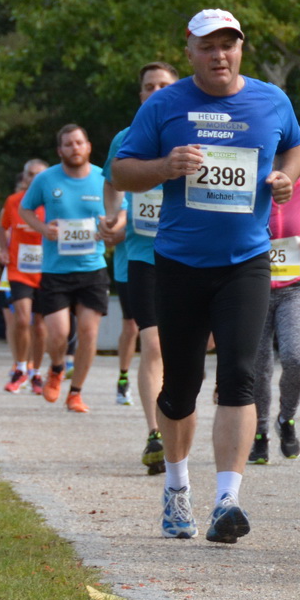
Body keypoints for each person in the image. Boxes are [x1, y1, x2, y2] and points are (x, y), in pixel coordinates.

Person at [114, 9, 300, 543]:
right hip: (179, 264)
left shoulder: (271, 100)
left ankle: (227, 500)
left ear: (241, 49)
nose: (219, 55)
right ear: (190, 52)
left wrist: (286, 176)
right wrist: (165, 166)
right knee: (180, 387)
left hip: (246, 262)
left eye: (228, 44)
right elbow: (122, 172)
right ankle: (177, 489)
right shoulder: (164, 105)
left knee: (241, 376)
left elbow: (296, 144)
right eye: (208, 46)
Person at [104, 62, 177, 470]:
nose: (156, 92)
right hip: (142, 256)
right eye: (149, 86)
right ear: (140, 94)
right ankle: (155, 434)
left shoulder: (195, 132)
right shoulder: (125, 138)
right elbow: (112, 182)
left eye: (164, 85)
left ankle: (174, 421)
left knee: (188, 349)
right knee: (152, 344)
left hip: (190, 255)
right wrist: (112, 215)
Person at [20, 126, 110, 414]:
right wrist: (43, 229)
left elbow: (121, 212)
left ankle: (76, 393)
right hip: (56, 269)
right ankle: (57, 368)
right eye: (68, 144)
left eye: (79, 142)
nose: (75, 148)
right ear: (60, 150)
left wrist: (111, 227)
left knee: (88, 332)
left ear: (88, 146)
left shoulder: (103, 178)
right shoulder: (46, 179)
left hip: (92, 268)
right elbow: (25, 209)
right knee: (58, 333)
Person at [249, 146, 300, 465]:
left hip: (295, 286)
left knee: (295, 358)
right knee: (259, 367)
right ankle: (260, 432)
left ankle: (286, 419)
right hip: (254, 287)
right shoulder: (248, 177)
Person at [0, 160, 48, 393]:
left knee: (40, 325)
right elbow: (1, 227)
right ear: (24, 178)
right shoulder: (13, 201)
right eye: (30, 174)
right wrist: (2, 249)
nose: (34, 179)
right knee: (21, 319)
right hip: (18, 270)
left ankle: (36, 372)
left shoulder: (53, 203)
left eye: (39, 175)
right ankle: (20, 368)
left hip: (46, 270)